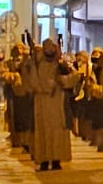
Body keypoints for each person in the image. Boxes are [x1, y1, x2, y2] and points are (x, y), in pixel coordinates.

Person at [23, 39, 82, 171]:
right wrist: (44, 87)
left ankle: (56, 159)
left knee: (57, 130)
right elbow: (31, 80)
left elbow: (75, 76)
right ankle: (44, 159)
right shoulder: (36, 63)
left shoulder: (61, 65)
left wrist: (61, 81)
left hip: (57, 102)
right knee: (43, 130)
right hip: (42, 102)